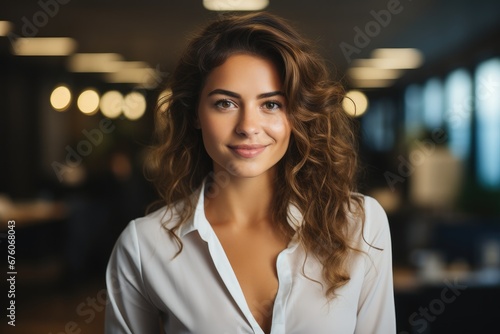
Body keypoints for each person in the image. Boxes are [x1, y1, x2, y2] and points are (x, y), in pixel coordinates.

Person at [105, 11, 396, 334]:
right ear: (196, 113)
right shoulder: (144, 246)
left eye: (271, 104)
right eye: (225, 104)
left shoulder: (361, 224)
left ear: (296, 114)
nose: (247, 127)